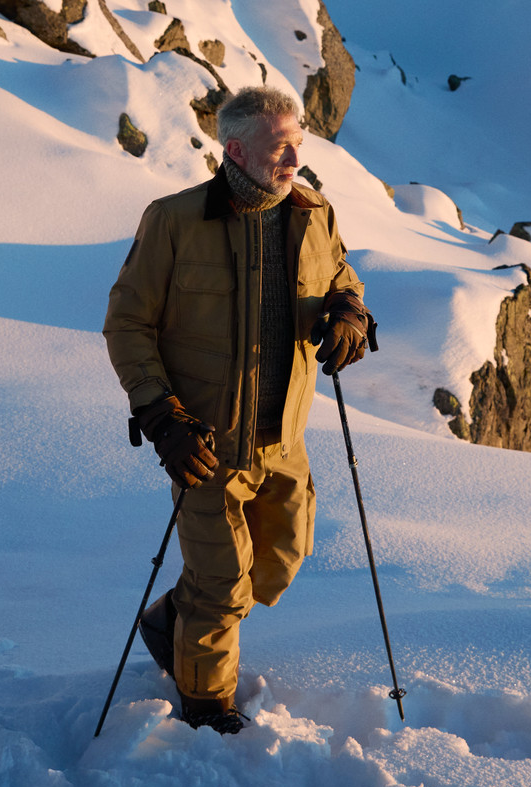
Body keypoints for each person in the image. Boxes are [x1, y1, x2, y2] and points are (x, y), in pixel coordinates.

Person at [103, 85, 375, 734]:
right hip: (204, 442)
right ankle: (205, 705)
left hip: (285, 438)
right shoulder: (173, 221)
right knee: (224, 581)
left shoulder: (315, 212)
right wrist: (161, 415)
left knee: (277, 563)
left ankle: (175, 617)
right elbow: (128, 324)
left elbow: (344, 281)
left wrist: (349, 315)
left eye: (298, 142)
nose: (293, 156)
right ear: (235, 150)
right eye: (281, 145)